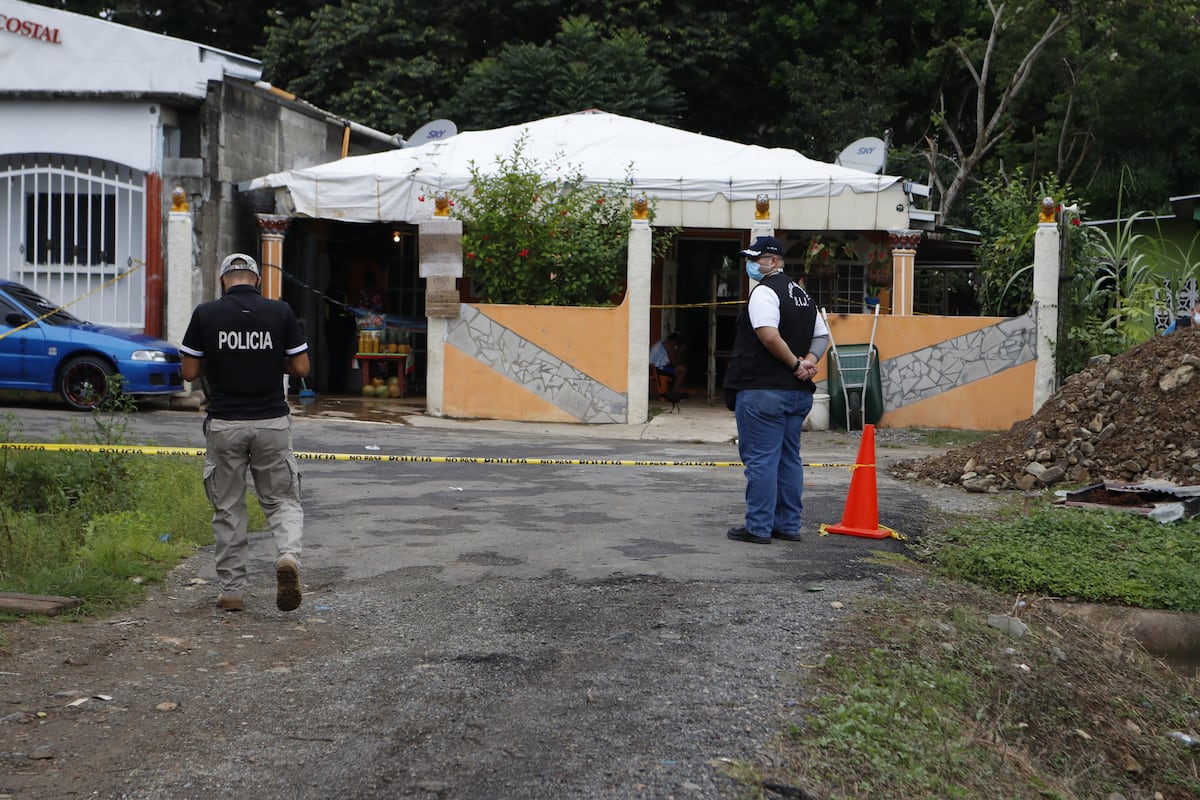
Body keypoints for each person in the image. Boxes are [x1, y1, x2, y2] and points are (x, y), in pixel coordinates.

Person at [180, 253, 310, 612]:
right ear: (256, 280)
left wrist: (217, 356)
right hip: (272, 423)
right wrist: (272, 359)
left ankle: (233, 591)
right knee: (282, 499)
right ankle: (287, 557)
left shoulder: (206, 314)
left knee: (229, 507)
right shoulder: (280, 312)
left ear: (224, 280)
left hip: (225, 424)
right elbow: (301, 366)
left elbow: (189, 372)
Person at [722, 235, 829, 545]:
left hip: (763, 390)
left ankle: (758, 527)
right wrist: (808, 362)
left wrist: (796, 364)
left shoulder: (764, 292)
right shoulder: (802, 295)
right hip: (796, 393)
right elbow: (821, 336)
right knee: (788, 459)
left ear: (773, 262)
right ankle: (788, 525)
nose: (751, 265)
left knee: (761, 459)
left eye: (755, 259)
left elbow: (768, 336)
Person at [323, 273, 356, 392]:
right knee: (335, 358)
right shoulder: (332, 291)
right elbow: (339, 309)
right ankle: (334, 385)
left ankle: (339, 384)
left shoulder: (343, 291)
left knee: (341, 358)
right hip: (335, 327)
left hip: (343, 328)